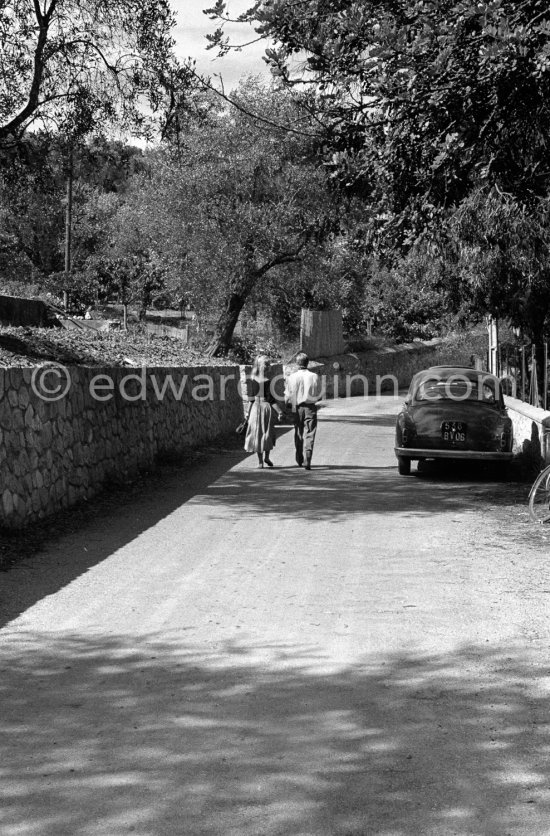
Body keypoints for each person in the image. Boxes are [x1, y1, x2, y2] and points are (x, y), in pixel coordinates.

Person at [244, 355, 283, 468]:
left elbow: (251, 399)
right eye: (267, 364)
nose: (269, 366)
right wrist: (279, 412)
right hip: (265, 408)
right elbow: (271, 400)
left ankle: (261, 461)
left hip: (256, 409)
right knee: (266, 433)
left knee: (257, 434)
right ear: (262, 366)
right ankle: (266, 458)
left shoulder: (253, 380)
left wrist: (247, 412)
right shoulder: (268, 381)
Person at [284, 352, 322, 470]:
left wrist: (288, 405)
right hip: (310, 406)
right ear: (308, 363)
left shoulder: (291, 377)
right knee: (310, 432)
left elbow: (288, 395)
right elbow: (320, 395)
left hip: (296, 406)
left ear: (297, 363)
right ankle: (308, 458)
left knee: (298, 432)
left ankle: (299, 457)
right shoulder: (314, 376)